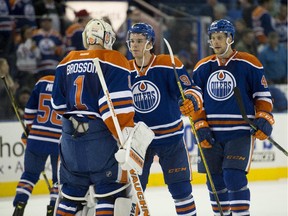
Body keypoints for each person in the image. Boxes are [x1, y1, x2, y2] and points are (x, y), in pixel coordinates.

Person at [51, 19, 153, 216]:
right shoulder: (113, 58)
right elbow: (115, 109)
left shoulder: (66, 60)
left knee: (71, 195)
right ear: (107, 38)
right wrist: (126, 139)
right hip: (101, 141)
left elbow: (58, 106)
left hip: (70, 142)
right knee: (109, 193)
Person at [187, 19, 274, 216]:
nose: (216, 42)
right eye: (213, 38)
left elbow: (263, 96)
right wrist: (200, 125)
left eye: (220, 37)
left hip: (239, 132)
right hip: (212, 135)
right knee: (215, 184)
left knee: (234, 178)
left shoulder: (249, 63)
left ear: (230, 38)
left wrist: (263, 117)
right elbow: (196, 101)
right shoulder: (202, 67)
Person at [126, 23, 204, 215]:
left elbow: (192, 89)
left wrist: (191, 101)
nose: (134, 45)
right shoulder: (124, 70)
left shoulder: (168, 63)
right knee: (133, 195)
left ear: (150, 43)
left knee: (182, 192)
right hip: (139, 142)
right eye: (132, 41)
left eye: (140, 41)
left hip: (171, 139)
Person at [12, 75, 62, 216]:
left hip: (37, 138)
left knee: (29, 175)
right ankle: (52, 209)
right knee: (58, 180)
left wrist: (30, 128)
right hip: (58, 141)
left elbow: (29, 110)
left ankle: (20, 205)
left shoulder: (42, 81)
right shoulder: (68, 81)